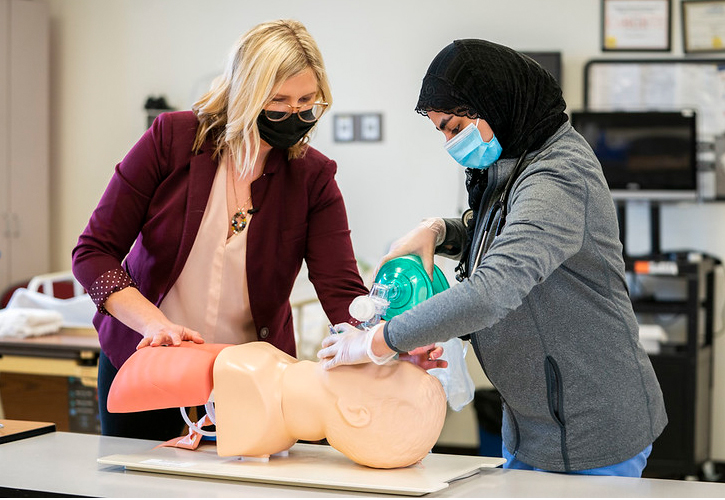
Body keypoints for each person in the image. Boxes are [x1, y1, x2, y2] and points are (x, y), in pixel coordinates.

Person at [317, 39, 668, 477]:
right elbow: (502, 237)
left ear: (493, 103)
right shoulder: (514, 157)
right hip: (533, 422)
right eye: (441, 131)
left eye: (454, 125)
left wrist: (376, 341)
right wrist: (440, 231)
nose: (449, 142)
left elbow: (492, 291)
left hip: (590, 428)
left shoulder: (559, 174)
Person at [71, 19, 369, 440]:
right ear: (242, 93)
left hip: (248, 377)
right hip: (146, 363)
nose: (294, 115)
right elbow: (93, 251)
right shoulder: (171, 141)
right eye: (278, 102)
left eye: (307, 102)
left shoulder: (312, 178)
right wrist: (155, 325)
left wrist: (389, 342)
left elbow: (341, 291)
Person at [107, 341, 447, 469]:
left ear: (354, 412)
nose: (375, 356)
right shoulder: (262, 370)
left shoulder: (249, 376)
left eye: (383, 370)